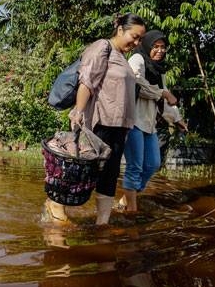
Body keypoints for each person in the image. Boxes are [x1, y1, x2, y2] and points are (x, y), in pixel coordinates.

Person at [44, 13, 146, 226]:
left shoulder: (122, 58)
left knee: (109, 175)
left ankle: (102, 223)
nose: (136, 43)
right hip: (99, 123)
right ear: (120, 30)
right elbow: (87, 81)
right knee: (82, 170)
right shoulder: (102, 47)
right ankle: (55, 205)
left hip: (120, 127)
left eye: (139, 40)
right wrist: (78, 111)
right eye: (133, 37)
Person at [120, 30, 187, 213]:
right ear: (148, 45)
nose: (160, 50)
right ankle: (131, 209)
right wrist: (162, 93)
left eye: (163, 47)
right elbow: (135, 83)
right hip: (133, 120)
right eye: (156, 47)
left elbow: (163, 99)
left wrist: (177, 119)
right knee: (135, 165)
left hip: (149, 123)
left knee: (152, 164)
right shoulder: (137, 60)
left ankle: (127, 198)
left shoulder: (159, 71)